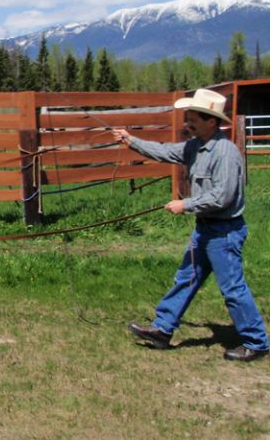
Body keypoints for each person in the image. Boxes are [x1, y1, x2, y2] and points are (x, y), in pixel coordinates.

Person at [112, 88, 269, 362]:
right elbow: (165, 152)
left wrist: (185, 204)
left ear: (211, 121)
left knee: (232, 288)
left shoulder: (226, 153)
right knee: (186, 279)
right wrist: (131, 141)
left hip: (225, 232)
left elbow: (223, 196)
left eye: (194, 117)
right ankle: (162, 329)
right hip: (205, 230)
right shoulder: (194, 146)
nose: (188, 122)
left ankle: (256, 342)